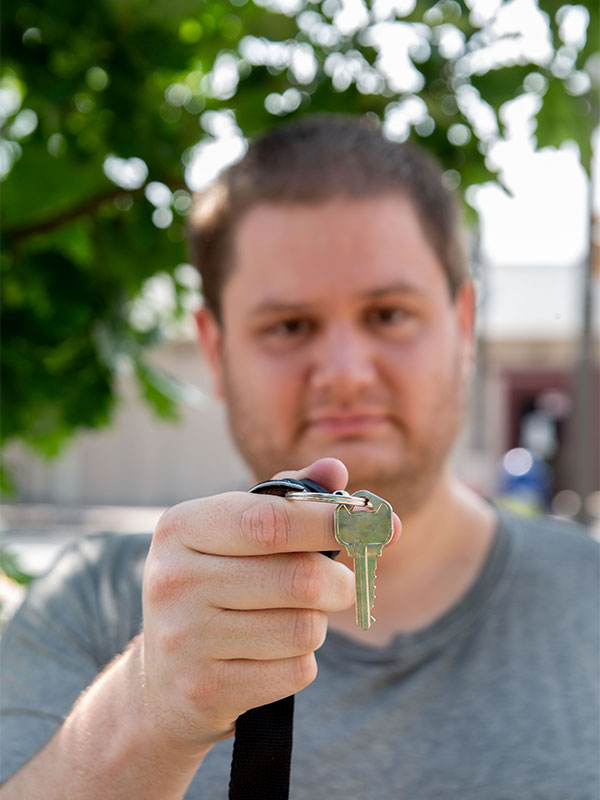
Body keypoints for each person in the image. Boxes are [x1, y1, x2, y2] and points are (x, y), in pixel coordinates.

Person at [1, 115, 598, 799]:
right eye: (289, 326)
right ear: (215, 349)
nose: (344, 373)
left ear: (462, 326)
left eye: (388, 315)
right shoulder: (88, 606)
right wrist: (145, 713)